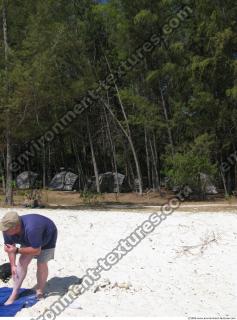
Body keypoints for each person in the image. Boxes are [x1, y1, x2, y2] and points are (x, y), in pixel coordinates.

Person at [0, 211, 57, 305]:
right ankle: (14, 294)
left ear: (15, 227)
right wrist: (13, 265)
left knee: (41, 263)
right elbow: (10, 248)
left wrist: (17, 250)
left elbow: (36, 250)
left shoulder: (32, 228)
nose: (4, 231)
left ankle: (40, 291)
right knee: (21, 262)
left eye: (6, 229)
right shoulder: (7, 230)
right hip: (29, 237)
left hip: (48, 235)